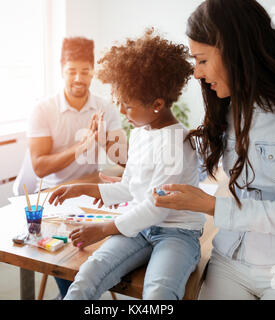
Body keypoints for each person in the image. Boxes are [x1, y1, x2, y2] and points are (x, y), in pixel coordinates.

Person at [153, 0, 275, 300]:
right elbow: (199, 167)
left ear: (235, 51)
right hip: (232, 255)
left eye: (202, 60)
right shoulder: (230, 106)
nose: (196, 73)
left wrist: (210, 206)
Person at [48, 30, 205, 300]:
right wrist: (85, 189)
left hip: (177, 233)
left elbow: (157, 207)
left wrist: (104, 229)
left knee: (159, 292)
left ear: (157, 104)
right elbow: (133, 187)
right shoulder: (143, 131)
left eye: (128, 106)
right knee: (87, 275)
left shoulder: (177, 143)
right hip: (139, 228)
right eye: (119, 103)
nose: (121, 112)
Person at [27, 37, 127, 298]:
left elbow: (125, 160)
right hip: (55, 197)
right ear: (62, 71)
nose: (79, 78)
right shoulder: (43, 109)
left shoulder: (105, 107)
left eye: (85, 71)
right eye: (72, 71)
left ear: (93, 71)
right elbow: (39, 167)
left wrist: (105, 138)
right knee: (71, 260)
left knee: (110, 249)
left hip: (91, 194)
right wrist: (81, 147)